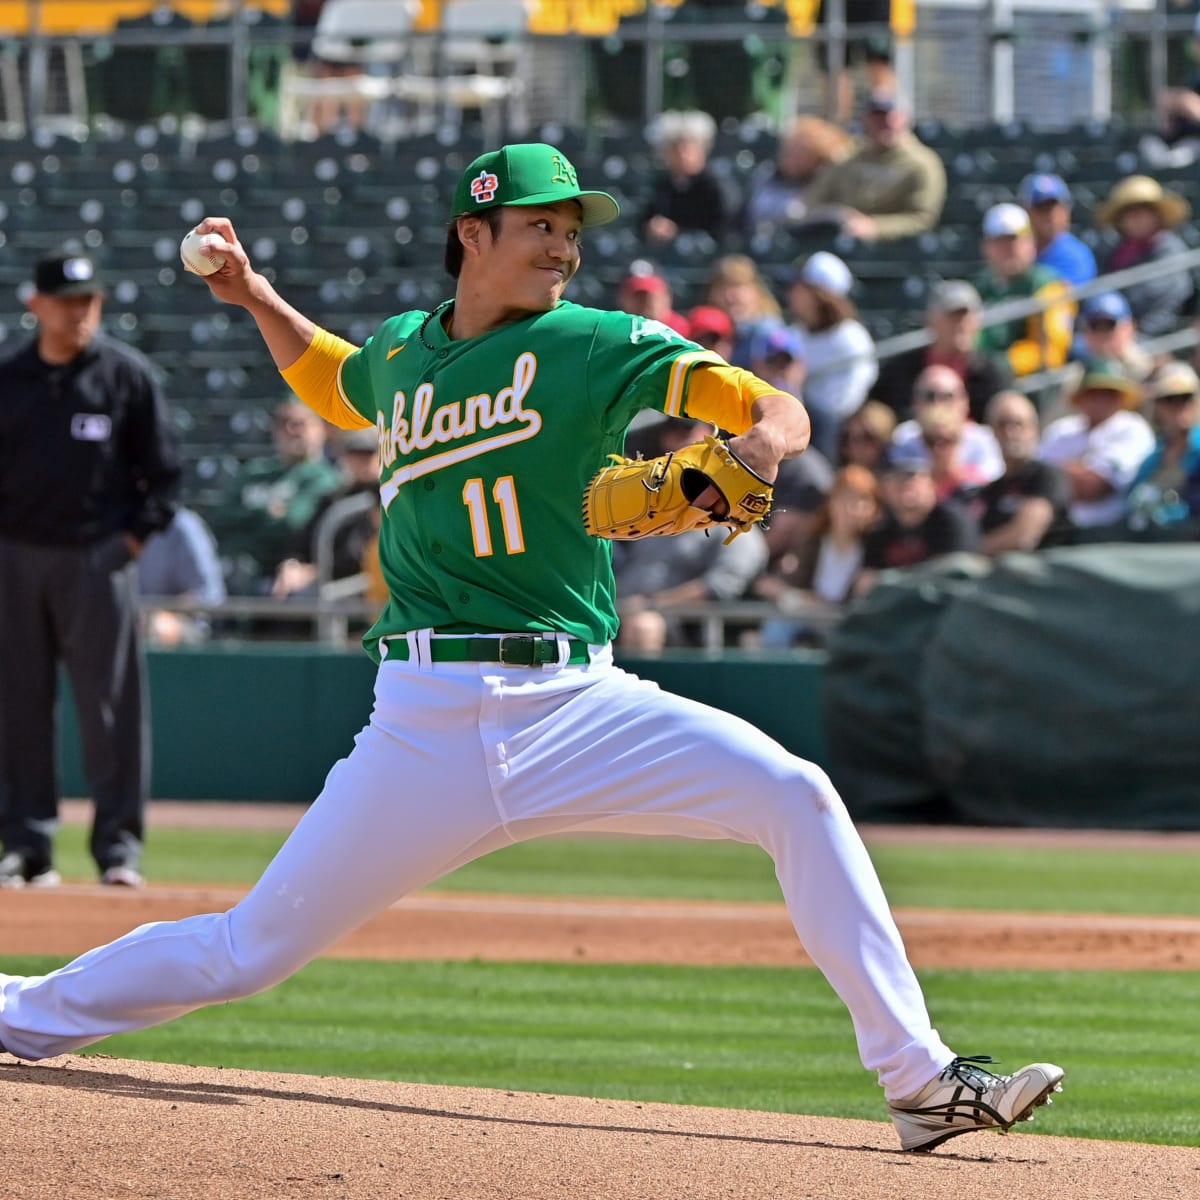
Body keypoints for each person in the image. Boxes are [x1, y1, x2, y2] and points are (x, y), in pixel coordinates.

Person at [0, 143, 1064, 1153]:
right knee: (249, 952)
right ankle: (17, 1013)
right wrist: (253, 296)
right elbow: (337, 383)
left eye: (571, 230)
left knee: (797, 794)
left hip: (577, 704)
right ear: (474, 233)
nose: (563, 247)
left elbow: (767, 401)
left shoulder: (596, 343)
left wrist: (765, 442)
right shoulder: (405, 350)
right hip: (423, 722)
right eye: (540, 226)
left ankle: (918, 1079)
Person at [0, 251, 182, 889]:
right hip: (14, 558)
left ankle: (118, 849)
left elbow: (164, 477)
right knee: (17, 707)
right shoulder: (9, 378)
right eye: (66, 301)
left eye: (89, 301)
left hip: (96, 559)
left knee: (112, 710)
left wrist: (128, 543)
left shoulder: (126, 377)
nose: (79, 313)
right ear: (36, 305)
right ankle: (27, 847)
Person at [206, 397, 342, 595]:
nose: (290, 430)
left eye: (299, 423)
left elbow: (291, 523)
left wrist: (249, 516)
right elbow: (220, 521)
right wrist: (267, 512)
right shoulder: (255, 471)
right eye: (283, 423)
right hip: (234, 571)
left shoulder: (325, 477)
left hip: (279, 575)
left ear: (321, 429)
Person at [754, 464, 882, 647]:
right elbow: (781, 587)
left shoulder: (877, 549)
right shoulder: (811, 543)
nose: (852, 508)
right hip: (810, 621)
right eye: (845, 498)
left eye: (862, 500)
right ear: (830, 503)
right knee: (776, 627)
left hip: (852, 628)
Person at [801, 91, 947, 242]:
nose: (885, 123)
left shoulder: (922, 163)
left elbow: (922, 219)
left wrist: (876, 227)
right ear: (866, 121)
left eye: (891, 116)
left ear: (904, 119)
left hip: (894, 248)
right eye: (877, 117)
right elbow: (813, 200)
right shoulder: (846, 158)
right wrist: (838, 215)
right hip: (840, 238)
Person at [1039, 358, 1156, 532]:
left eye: (1110, 393)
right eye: (1093, 392)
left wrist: (1053, 473)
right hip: (1057, 528)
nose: (1101, 399)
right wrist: (1077, 471)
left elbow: (1091, 488)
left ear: (1121, 398)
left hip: (1112, 530)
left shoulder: (1132, 427)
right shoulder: (1061, 430)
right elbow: (1033, 482)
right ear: (1081, 396)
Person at [871, 280, 1012, 425]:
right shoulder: (901, 369)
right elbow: (879, 413)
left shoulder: (992, 373)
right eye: (952, 317)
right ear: (931, 321)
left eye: (966, 318)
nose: (961, 325)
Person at [271, 425, 382, 601]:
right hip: (327, 583)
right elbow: (302, 540)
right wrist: (292, 564)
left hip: (364, 586)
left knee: (305, 597)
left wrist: (314, 572)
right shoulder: (334, 497)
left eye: (368, 453)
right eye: (355, 453)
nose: (361, 460)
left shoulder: (387, 498)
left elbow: (359, 554)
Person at [784, 251, 878, 459]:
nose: (792, 292)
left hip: (835, 428)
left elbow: (849, 398)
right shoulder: (794, 333)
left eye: (800, 287)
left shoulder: (851, 337)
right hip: (796, 415)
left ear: (818, 294)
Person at [855, 450, 982, 595]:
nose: (904, 485)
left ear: (931, 482)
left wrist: (890, 580)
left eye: (912, 477)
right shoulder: (881, 530)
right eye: (895, 478)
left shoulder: (952, 521)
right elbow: (866, 581)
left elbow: (958, 575)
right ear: (884, 489)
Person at [973, 203, 1074, 378]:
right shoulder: (978, 287)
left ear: (1030, 242)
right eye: (1000, 242)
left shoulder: (1048, 284)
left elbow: (1051, 352)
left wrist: (1006, 363)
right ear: (986, 246)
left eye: (1014, 240)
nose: (1009, 249)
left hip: (1031, 381)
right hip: (982, 377)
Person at [971, 390, 1073, 554]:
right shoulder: (991, 491)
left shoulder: (1047, 476)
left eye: (1018, 424)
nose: (1011, 433)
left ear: (1034, 429)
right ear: (992, 432)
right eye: (1003, 424)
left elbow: (1024, 537)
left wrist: (970, 553)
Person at [1094, 175, 1195, 340]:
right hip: (1110, 331)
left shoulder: (1170, 249)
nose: (1137, 217)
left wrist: (1127, 326)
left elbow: (1162, 298)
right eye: (1129, 212)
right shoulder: (1113, 251)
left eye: (1144, 210)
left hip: (1154, 335)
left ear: (1157, 215)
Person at [741, 114, 851, 241]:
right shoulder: (765, 177)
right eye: (789, 149)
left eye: (801, 152)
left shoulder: (823, 187)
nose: (791, 157)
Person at [888, 364, 1004, 482]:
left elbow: (993, 483)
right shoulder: (903, 437)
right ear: (914, 403)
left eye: (947, 396)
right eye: (930, 396)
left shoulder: (983, 439)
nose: (939, 403)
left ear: (965, 402)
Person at [1124, 361, 1200, 538]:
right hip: (1156, 543)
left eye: (1186, 398)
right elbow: (1133, 502)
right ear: (1157, 406)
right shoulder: (1152, 459)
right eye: (1170, 399)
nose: (1179, 406)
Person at [640, 109, 732, 247]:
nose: (682, 154)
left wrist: (678, 232)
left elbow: (723, 231)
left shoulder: (716, 187)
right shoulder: (662, 186)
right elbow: (645, 219)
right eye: (675, 148)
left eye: (688, 147)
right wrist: (651, 228)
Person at [137, 506, 227, 646]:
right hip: (134, 617)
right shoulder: (120, 524)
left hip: (186, 624)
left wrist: (157, 614)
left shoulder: (184, 526)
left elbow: (209, 595)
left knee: (159, 627)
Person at [701, 253, 783, 368]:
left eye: (737, 286)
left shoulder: (768, 332)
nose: (730, 296)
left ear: (755, 290)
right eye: (722, 287)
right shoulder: (709, 334)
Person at [1017, 173, 1097, 291]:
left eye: (1055, 208)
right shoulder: (1015, 250)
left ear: (1066, 211)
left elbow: (1066, 298)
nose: (1050, 216)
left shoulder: (1075, 255)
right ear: (1027, 212)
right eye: (1042, 209)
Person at [916, 404, 990, 503]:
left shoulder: (974, 482)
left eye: (946, 441)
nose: (938, 448)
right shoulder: (917, 486)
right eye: (930, 441)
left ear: (959, 439)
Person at [615, 265, 692, 338]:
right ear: (622, 299)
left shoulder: (680, 329)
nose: (645, 303)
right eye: (637, 297)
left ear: (666, 298)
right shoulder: (618, 328)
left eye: (650, 297)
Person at [836, 398, 897, 473]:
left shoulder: (901, 477)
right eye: (846, 438)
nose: (853, 447)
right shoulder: (832, 476)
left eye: (866, 438)